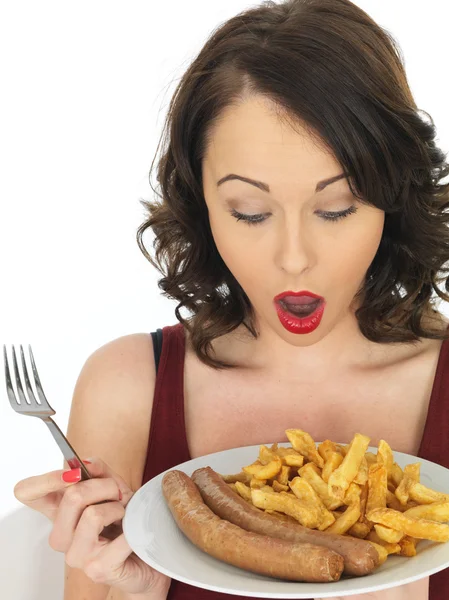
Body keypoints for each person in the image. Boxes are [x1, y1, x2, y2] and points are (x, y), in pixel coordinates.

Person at [12, 0, 449, 598]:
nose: (294, 258)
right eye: (251, 211)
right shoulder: (126, 388)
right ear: (203, 206)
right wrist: (134, 589)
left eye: (336, 208)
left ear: (392, 199)